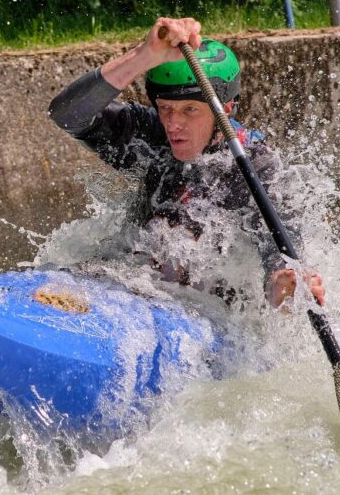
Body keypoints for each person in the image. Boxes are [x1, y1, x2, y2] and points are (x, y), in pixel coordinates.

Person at [48, 17, 325, 309]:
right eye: (166, 108)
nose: (173, 124)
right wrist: (144, 56)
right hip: (131, 286)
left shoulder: (258, 169)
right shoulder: (151, 135)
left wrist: (282, 285)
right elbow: (67, 115)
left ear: (226, 108)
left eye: (189, 110)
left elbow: (278, 254)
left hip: (206, 315)